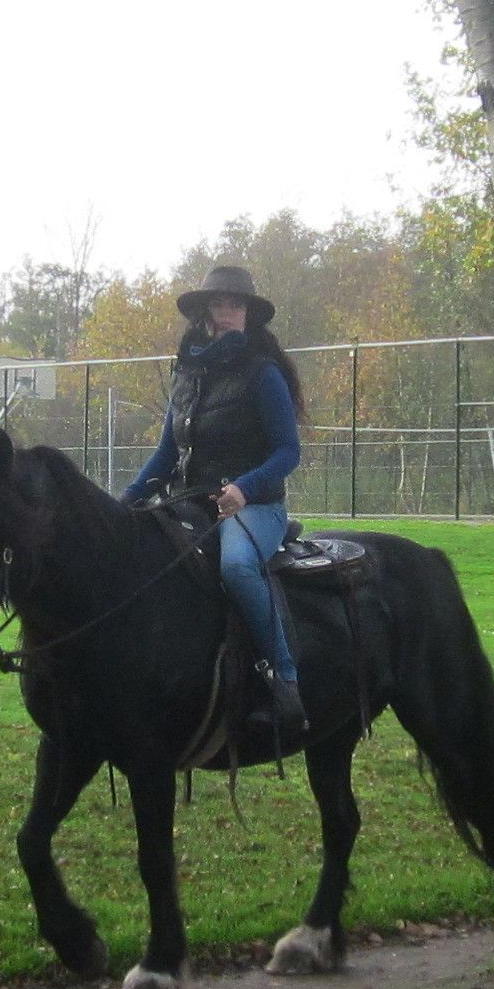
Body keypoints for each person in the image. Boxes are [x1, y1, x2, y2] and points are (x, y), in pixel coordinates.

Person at [121, 262, 311, 749]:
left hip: (255, 506)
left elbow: (289, 451)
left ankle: (284, 681)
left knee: (238, 568)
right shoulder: (186, 374)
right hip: (191, 503)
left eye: (236, 304)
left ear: (249, 315)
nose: (226, 312)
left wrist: (244, 489)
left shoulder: (262, 374)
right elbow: (166, 455)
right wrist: (123, 507)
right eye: (219, 304)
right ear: (204, 312)